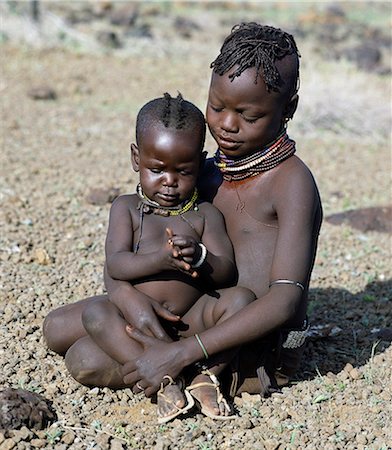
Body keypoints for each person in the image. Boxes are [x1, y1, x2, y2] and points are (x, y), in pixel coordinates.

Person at [119, 23, 323, 398]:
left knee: (92, 357)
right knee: (70, 331)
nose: (226, 125)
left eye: (248, 116)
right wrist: (139, 307)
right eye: (217, 106)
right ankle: (165, 360)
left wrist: (181, 352)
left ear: (287, 109)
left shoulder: (292, 183)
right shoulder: (208, 171)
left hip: (250, 351)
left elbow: (285, 300)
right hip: (196, 319)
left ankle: (183, 373)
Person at [43, 92, 255, 423]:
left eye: (183, 171)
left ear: (199, 165)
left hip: (189, 324)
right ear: (135, 158)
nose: (169, 181)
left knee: (241, 300)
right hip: (135, 324)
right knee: (92, 317)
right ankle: (165, 377)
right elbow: (116, 264)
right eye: (157, 169)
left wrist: (199, 256)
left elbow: (226, 272)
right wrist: (161, 259)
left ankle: (201, 375)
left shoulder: (204, 215)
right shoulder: (126, 208)